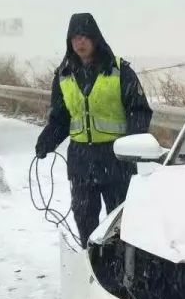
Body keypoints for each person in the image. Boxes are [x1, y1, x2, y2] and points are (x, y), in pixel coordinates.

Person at [35, 13, 153, 246]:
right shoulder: (63, 75)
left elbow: (139, 110)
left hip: (116, 160)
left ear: (95, 38)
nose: (80, 43)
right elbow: (60, 118)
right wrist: (47, 141)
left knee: (120, 222)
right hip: (81, 161)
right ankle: (90, 268)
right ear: (69, 42)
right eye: (75, 38)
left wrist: (131, 145)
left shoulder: (119, 70)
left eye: (85, 37)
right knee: (85, 221)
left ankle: (121, 272)